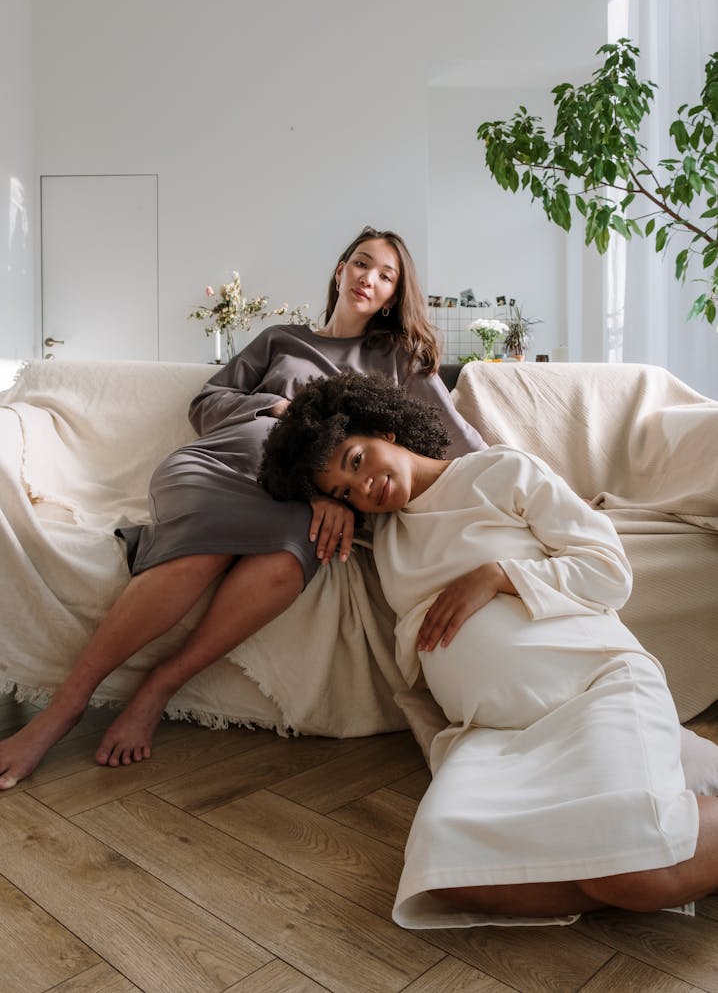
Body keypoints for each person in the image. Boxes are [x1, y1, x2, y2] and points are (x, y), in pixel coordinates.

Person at [0, 226, 485, 791]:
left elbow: (458, 441)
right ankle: (65, 707)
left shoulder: (395, 359)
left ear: (393, 295)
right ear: (339, 270)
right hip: (216, 465)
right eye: (362, 264)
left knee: (293, 555)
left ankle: (159, 687)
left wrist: (533, 486)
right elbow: (207, 402)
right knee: (205, 552)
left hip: (299, 499)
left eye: (386, 275)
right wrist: (277, 407)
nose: (370, 278)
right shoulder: (280, 339)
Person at [258, 372, 718, 927]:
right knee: (450, 878)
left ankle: (635, 859)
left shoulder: (501, 471)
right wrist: (317, 500)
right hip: (495, 736)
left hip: (594, 691)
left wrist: (499, 575)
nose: (364, 489)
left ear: (382, 428)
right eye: (344, 492)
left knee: (634, 871)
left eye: (356, 461)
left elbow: (609, 572)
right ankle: (643, 838)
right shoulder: (383, 536)